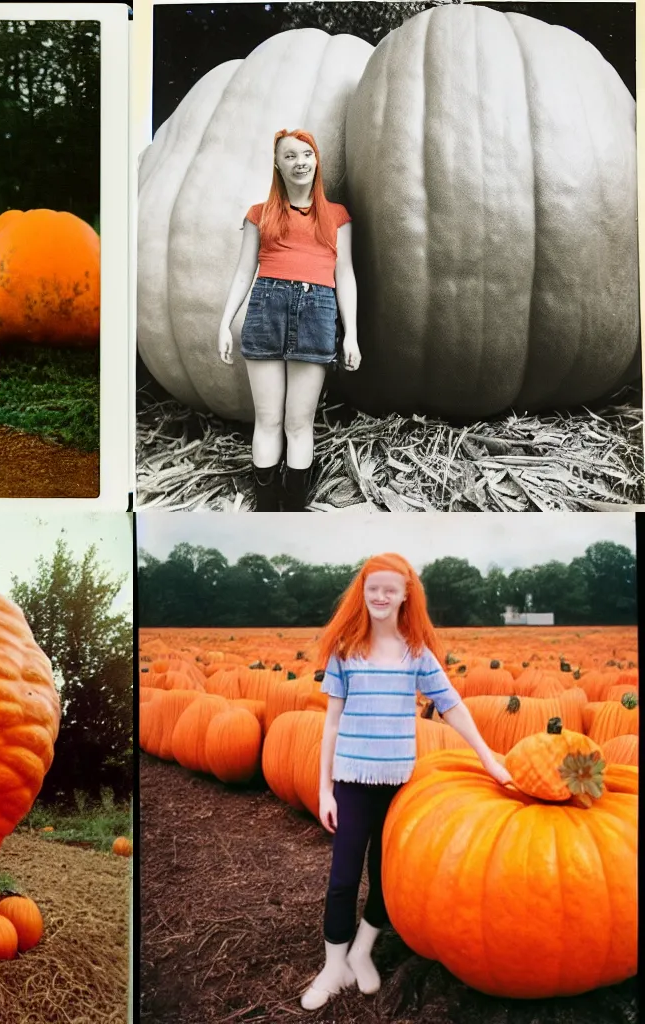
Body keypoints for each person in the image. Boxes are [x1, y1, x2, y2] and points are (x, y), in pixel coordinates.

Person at [304, 553, 511, 1010]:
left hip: (400, 785)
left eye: (389, 589)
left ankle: (361, 951)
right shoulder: (345, 650)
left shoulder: (416, 653)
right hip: (353, 782)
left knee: (385, 881)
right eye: (372, 588)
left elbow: (452, 705)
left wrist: (488, 757)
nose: (380, 596)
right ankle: (333, 965)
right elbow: (331, 725)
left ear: (404, 595)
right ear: (362, 592)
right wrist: (324, 790)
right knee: (341, 879)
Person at [217, 129, 359, 512]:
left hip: (317, 314)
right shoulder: (259, 215)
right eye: (290, 156)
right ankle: (266, 508)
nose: (300, 162)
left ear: (316, 160)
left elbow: (344, 275)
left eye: (306, 154)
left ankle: (292, 509)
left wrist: (352, 336)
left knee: (298, 424)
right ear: (277, 165)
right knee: (267, 420)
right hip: (266, 311)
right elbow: (245, 271)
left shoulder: (337, 217)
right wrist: (225, 322)